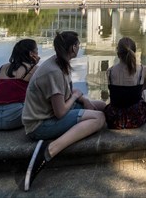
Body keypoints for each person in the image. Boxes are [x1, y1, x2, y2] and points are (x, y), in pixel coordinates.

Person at [22, 31, 106, 191]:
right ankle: (49, 150)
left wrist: (84, 100)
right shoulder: (53, 71)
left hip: (51, 112)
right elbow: (60, 112)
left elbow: (67, 93)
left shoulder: (60, 62)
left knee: (100, 105)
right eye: (78, 44)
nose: (80, 47)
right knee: (99, 118)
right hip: (40, 124)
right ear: (73, 48)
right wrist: (76, 97)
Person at [0, 39, 40, 130]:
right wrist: (34, 65)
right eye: (37, 50)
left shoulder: (3, 67)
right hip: (14, 119)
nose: (38, 53)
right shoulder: (35, 69)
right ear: (31, 54)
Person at [104, 37, 146, 129]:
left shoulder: (110, 71)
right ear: (134, 52)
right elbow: (144, 88)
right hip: (136, 119)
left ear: (118, 54)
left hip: (115, 120)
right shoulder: (143, 70)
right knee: (141, 91)